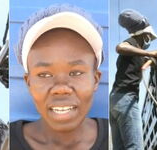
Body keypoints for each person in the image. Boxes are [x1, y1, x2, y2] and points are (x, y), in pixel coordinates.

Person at [10, 4, 108, 150]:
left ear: (96, 79)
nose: (61, 88)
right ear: (28, 83)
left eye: (76, 73)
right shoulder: (1, 141)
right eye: (44, 74)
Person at [110, 9, 157, 150]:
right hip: (126, 99)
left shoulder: (136, 52)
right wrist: (149, 53)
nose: (149, 39)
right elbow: (120, 47)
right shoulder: (131, 43)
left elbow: (143, 65)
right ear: (144, 33)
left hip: (115, 100)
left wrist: (152, 59)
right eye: (149, 36)